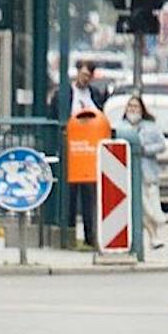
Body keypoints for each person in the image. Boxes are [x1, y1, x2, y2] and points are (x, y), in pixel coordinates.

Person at [115, 93, 166, 251]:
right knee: (140, 206)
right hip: (128, 173)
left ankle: (154, 235)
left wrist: (145, 150)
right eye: (130, 106)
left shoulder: (150, 126)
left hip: (148, 173)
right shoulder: (120, 126)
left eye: (136, 106)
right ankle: (153, 237)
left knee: (152, 206)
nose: (132, 109)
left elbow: (162, 145)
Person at [66, 102, 112, 248]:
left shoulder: (95, 95)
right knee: (73, 200)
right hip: (77, 161)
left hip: (91, 162)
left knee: (91, 200)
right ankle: (72, 234)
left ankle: (92, 236)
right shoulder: (66, 97)